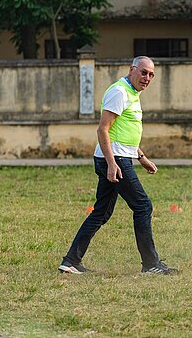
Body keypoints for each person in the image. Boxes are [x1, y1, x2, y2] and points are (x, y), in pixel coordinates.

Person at [59, 56, 178, 275]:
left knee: (101, 213)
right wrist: (112, 164)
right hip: (114, 160)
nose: (147, 78)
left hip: (119, 157)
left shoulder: (132, 93)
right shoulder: (119, 92)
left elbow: (124, 133)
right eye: (144, 72)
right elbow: (103, 129)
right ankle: (151, 264)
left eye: (151, 74)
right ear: (132, 70)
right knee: (143, 206)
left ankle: (70, 261)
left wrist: (141, 157)